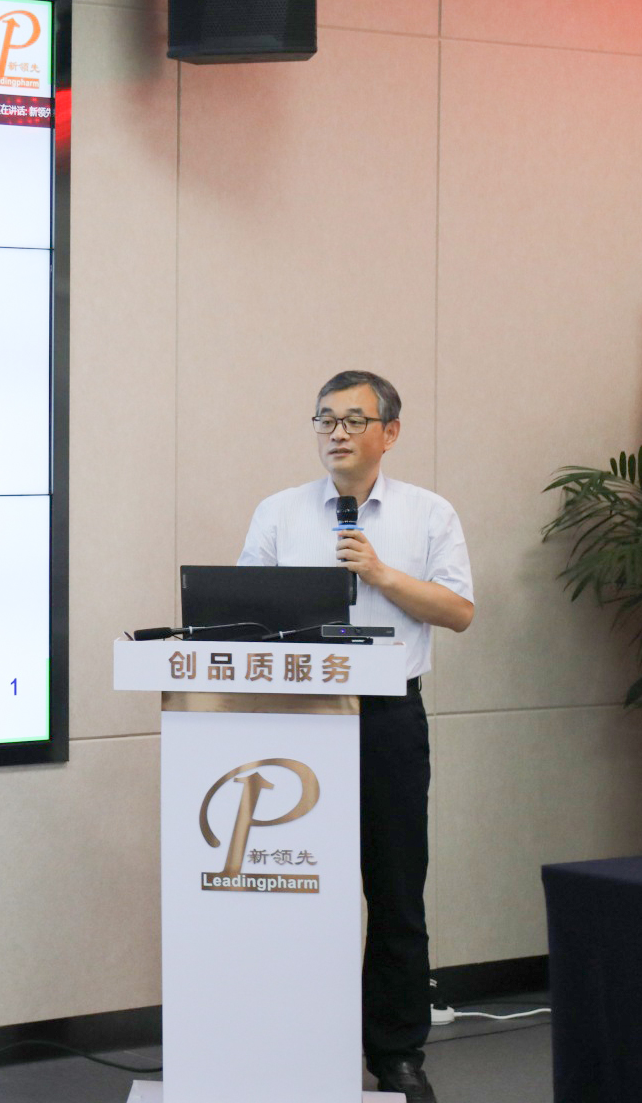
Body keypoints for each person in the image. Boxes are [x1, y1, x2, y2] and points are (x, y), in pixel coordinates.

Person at [236, 370, 473, 1103]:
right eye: (325, 419)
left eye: (352, 420)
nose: (336, 433)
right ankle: (301, 1044)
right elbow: (239, 616)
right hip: (298, 720)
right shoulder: (279, 513)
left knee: (396, 892)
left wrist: (381, 573)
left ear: (389, 433)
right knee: (300, 886)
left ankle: (397, 1055)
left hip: (387, 719)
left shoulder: (428, 513)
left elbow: (459, 610)